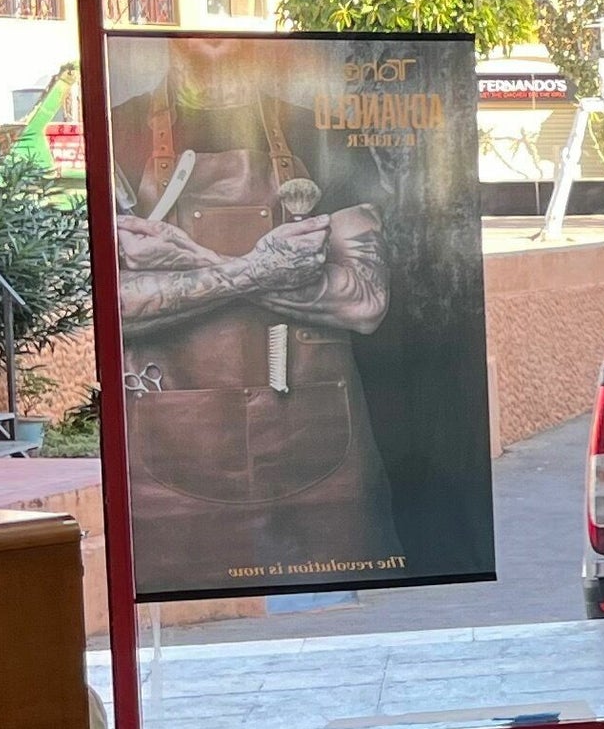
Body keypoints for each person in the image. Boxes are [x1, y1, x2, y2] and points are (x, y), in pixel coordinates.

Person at [108, 39, 400, 596]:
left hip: (314, 455)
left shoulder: (318, 133)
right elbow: (116, 306)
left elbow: (365, 302)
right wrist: (267, 267)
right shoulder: (118, 135)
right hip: (170, 464)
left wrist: (193, 262)